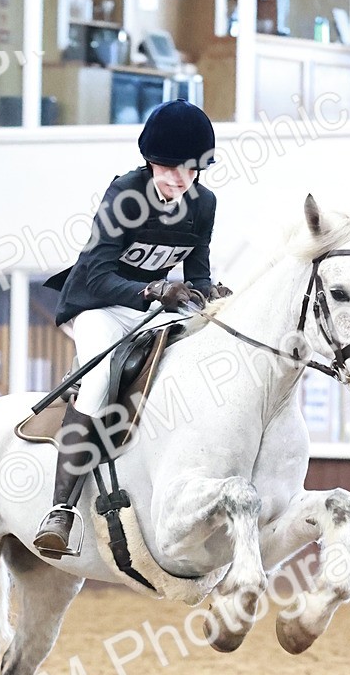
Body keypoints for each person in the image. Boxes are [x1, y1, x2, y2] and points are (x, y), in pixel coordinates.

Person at [33, 98, 229, 558]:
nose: (178, 180)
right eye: (168, 169)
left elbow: (197, 273)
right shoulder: (126, 194)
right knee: (100, 378)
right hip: (97, 304)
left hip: (156, 307)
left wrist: (210, 294)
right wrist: (155, 290)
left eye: (189, 170)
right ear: (150, 162)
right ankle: (60, 510)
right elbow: (98, 275)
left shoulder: (204, 205)